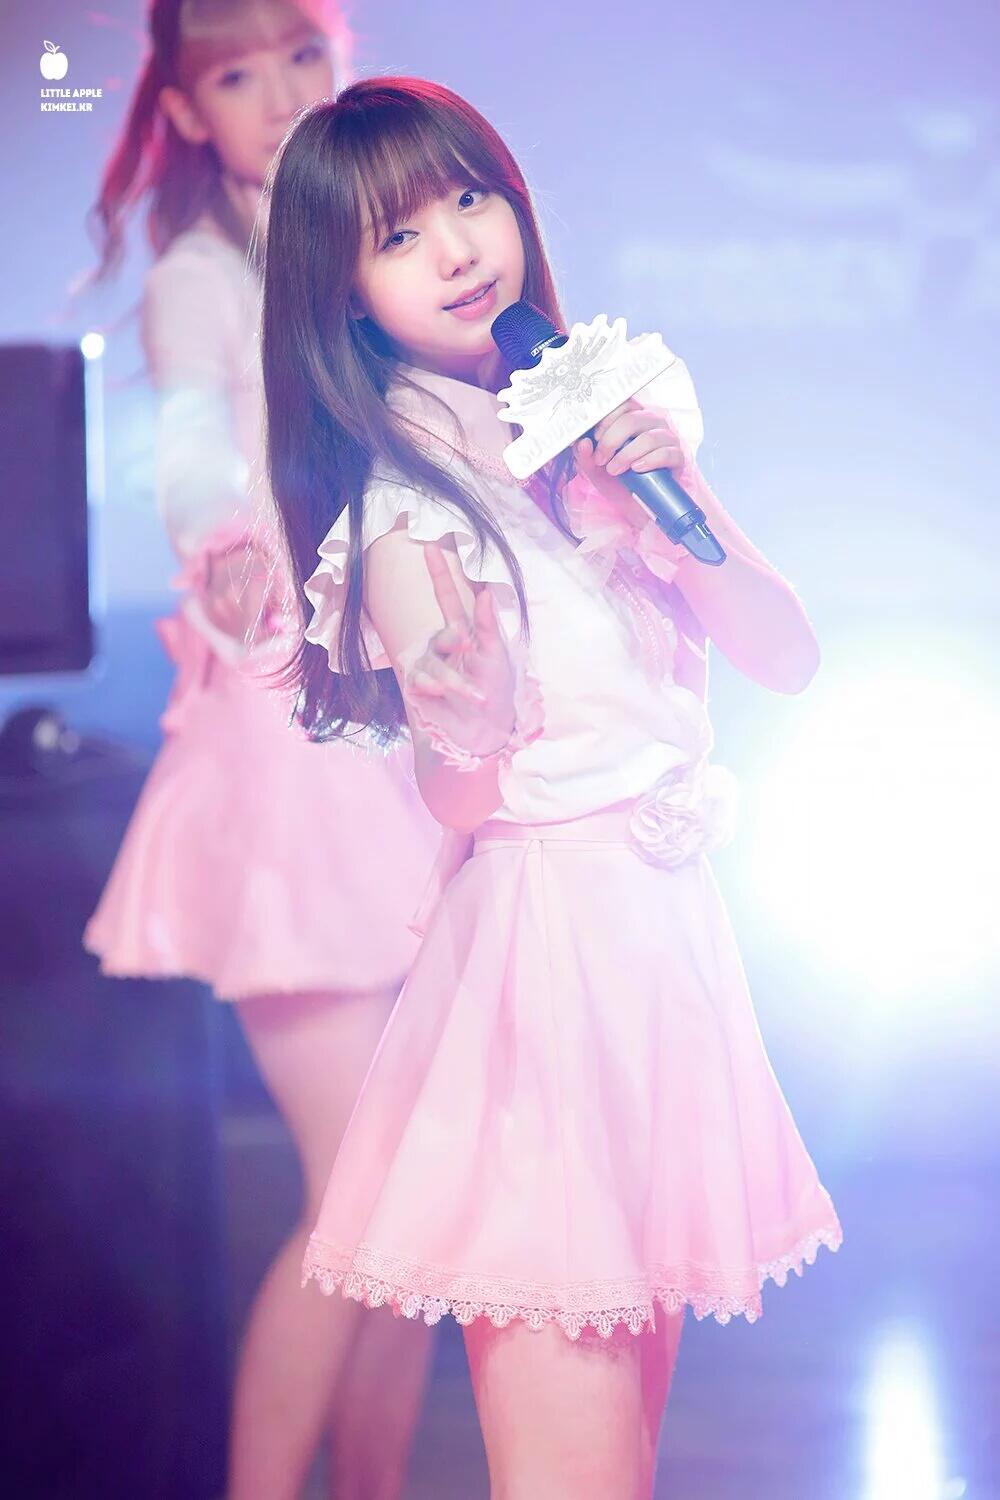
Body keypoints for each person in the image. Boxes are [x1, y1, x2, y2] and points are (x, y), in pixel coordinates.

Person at [259, 76, 844, 1500]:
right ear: (344, 294)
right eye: (401, 236)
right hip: (545, 973)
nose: (460, 248)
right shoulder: (405, 502)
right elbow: (463, 803)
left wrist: (677, 504)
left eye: (471, 199)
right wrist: (458, 716)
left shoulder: (605, 418)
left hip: (663, 956)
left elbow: (784, 656)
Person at [82, 11, 438, 1499]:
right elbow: (187, 442)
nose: (282, 92)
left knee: (419, 1197)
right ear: (183, 110)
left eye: (300, 50)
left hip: (414, 736)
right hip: (292, 745)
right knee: (359, 1192)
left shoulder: (392, 248)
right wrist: (221, 542)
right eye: (236, 73)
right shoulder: (201, 273)